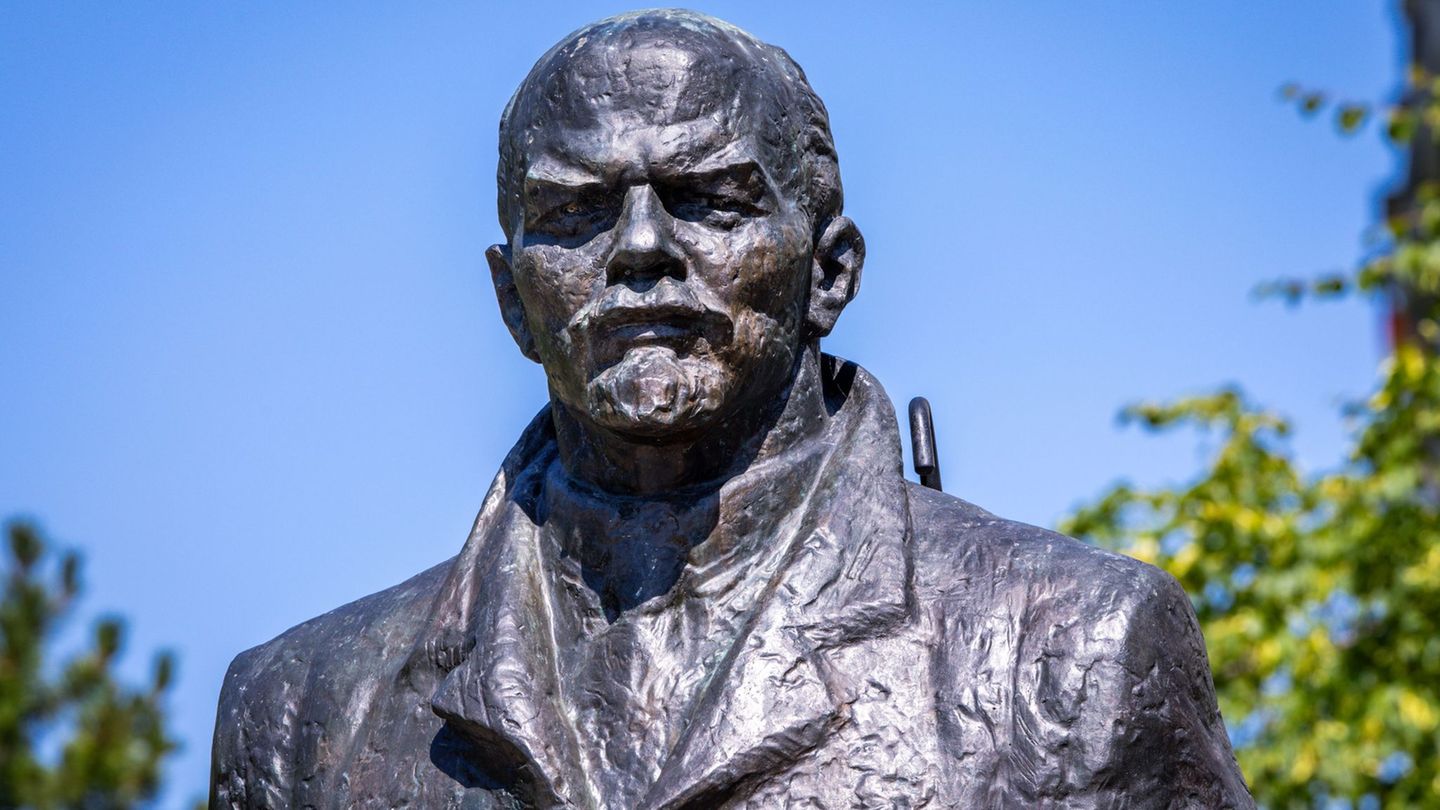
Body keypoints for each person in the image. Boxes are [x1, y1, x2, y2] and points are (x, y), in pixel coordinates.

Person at [211, 10, 1254, 808]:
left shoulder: (1070, 651)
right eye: (572, 213)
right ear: (510, 299)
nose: (639, 250)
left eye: (710, 199)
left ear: (831, 272)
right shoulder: (300, 709)